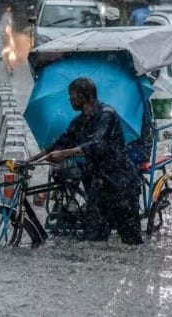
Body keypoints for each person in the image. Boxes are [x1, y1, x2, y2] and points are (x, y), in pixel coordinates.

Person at [28, 77, 144, 245]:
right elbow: (59, 143)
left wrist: (64, 154)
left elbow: (97, 144)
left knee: (131, 241)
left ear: (82, 97)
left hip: (120, 184)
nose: (69, 99)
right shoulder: (79, 121)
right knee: (95, 240)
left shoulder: (107, 115)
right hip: (99, 185)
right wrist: (30, 161)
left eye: (71, 96)